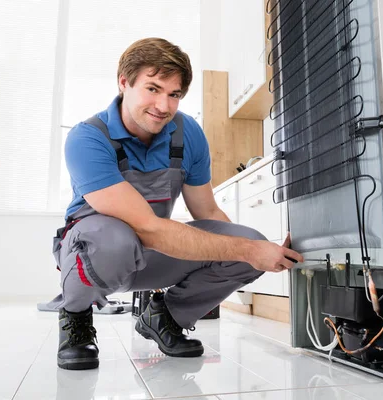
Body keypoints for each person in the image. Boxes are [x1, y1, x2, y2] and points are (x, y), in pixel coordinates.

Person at [49, 37, 303, 370]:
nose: (164, 106)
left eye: (174, 94)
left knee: (249, 242)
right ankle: (76, 317)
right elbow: (147, 226)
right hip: (96, 252)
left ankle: (165, 316)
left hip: (151, 252)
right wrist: (247, 251)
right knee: (113, 240)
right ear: (124, 82)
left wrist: (250, 255)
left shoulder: (187, 134)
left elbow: (208, 212)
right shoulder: (88, 138)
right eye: (153, 89)